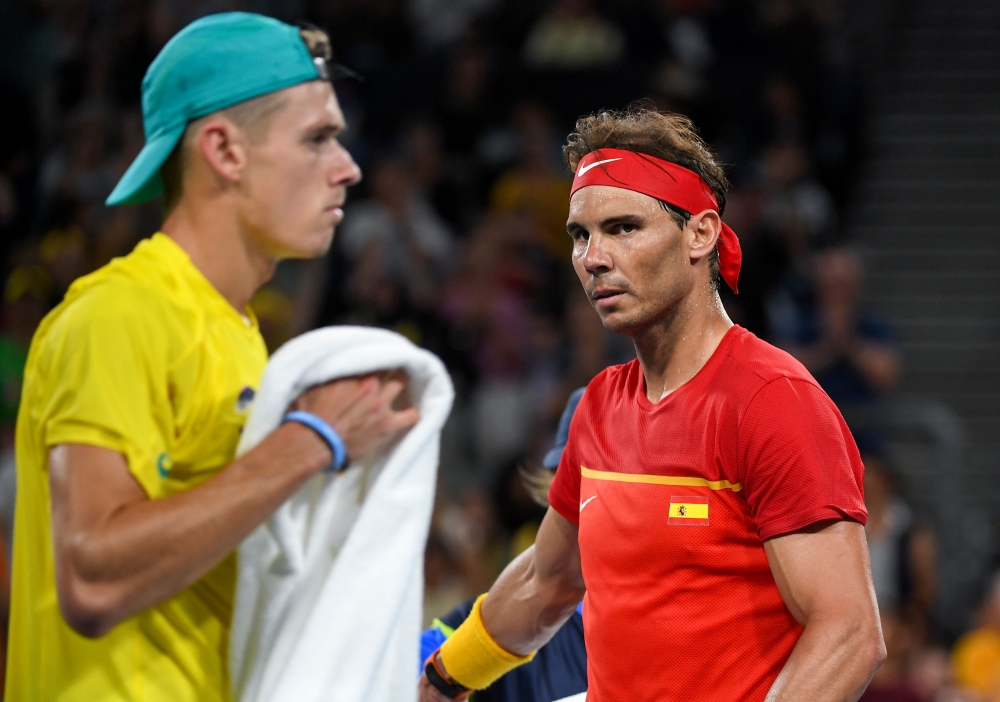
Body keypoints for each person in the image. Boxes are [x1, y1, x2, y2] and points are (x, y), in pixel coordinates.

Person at [6, 13, 419, 702]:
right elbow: (92, 580)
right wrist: (312, 441)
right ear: (225, 151)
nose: (348, 169)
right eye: (317, 139)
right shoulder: (118, 314)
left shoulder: (240, 337)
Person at [419, 107, 885, 702]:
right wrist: (441, 678)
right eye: (581, 235)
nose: (593, 258)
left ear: (701, 234)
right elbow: (548, 579)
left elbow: (848, 633)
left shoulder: (773, 402)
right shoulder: (599, 405)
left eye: (623, 228)